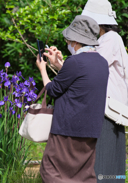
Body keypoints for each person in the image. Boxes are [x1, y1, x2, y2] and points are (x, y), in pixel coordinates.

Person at [36, 15, 109, 183]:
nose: (68, 43)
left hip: (67, 129)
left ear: (76, 41)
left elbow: (53, 90)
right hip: (91, 129)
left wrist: (43, 69)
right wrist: (59, 64)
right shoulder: (101, 62)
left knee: (52, 171)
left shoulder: (75, 62)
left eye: (69, 40)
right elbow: (79, 81)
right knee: (83, 175)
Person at [81, 0, 128, 182]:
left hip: (107, 110)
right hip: (107, 109)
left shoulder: (110, 39)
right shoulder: (103, 40)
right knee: (111, 164)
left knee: (104, 165)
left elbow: (92, 66)